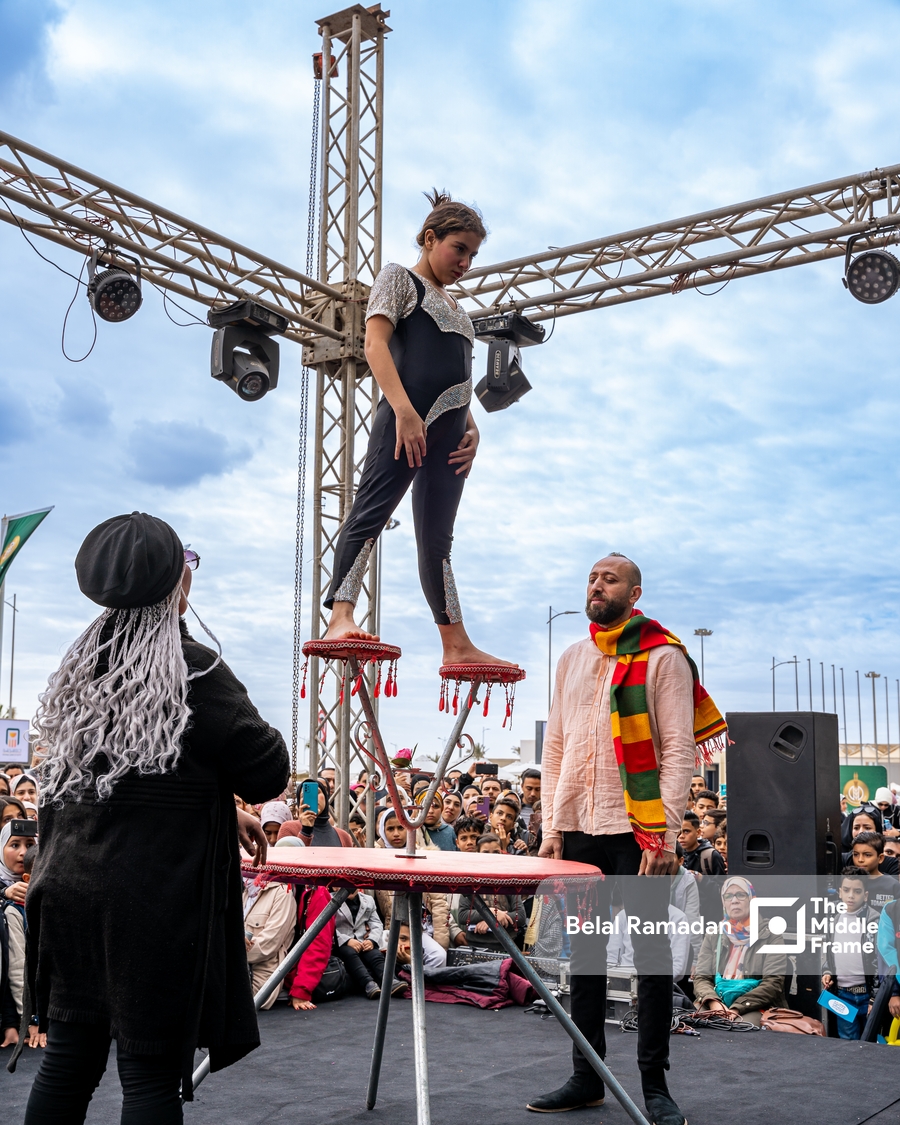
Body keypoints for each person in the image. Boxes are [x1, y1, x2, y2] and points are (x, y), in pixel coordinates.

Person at [16, 512, 288, 1124]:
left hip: (69, 894)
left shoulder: (78, 668)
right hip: (151, 907)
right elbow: (267, 771)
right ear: (176, 585)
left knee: (68, 1063)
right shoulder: (195, 670)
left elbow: (132, 783)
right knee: (149, 1076)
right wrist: (229, 792)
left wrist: (219, 810)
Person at [534, 554, 725, 1123]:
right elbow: (556, 749)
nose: (597, 585)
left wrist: (661, 835)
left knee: (650, 958)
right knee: (585, 958)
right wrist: (551, 827)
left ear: (634, 592)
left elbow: (677, 751)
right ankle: (585, 1075)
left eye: (609, 578)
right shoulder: (571, 658)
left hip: (637, 833)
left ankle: (655, 1087)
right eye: (592, 577)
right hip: (577, 830)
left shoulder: (663, 657)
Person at [321, 190, 511, 670]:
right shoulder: (398, 279)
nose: (465, 262)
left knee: (438, 541)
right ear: (430, 239)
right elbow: (376, 345)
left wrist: (472, 428)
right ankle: (341, 615)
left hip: (450, 437)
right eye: (459, 249)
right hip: (407, 423)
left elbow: (459, 379)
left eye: (473, 254)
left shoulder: (462, 314)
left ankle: (456, 642)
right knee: (371, 514)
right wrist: (404, 411)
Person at [692, 876, 787, 1025]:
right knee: (697, 1024)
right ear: (723, 902)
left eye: (741, 895)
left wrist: (738, 1007)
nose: (734, 900)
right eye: (728, 896)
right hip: (717, 1001)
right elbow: (701, 978)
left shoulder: (771, 935)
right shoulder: (714, 934)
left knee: (740, 1029)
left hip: (756, 1005)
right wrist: (714, 1002)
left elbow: (773, 983)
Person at [821, 868, 881, 1039]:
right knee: (848, 1042)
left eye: (857, 891)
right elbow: (831, 953)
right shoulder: (834, 919)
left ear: (866, 895)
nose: (851, 896)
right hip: (843, 995)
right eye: (846, 890)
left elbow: (878, 961)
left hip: (867, 995)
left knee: (870, 1043)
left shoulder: (874, 920)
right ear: (839, 892)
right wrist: (827, 971)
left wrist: (874, 999)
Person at [334, 888, 404, 999]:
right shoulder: (330, 900)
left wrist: (372, 940)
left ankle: (390, 981)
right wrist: (346, 940)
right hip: (341, 943)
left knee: (375, 955)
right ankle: (368, 983)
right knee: (349, 954)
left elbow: (376, 923)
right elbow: (328, 927)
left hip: (363, 939)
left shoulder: (368, 900)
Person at [241, 871, 297, 1010]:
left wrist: (229, 950)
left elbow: (270, 943)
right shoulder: (246, 892)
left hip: (261, 974)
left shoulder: (282, 891)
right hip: (237, 967)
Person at [277, 781, 354, 848]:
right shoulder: (289, 828)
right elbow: (289, 861)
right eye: (305, 796)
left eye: (317, 792)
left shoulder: (343, 836)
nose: (314, 798)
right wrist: (306, 830)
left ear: (325, 797)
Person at [848, 831, 900, 911]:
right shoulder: (847, 882)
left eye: (867, 855)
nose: (860, 860)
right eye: (856, 854)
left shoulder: (892, 886)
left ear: (880, 858)